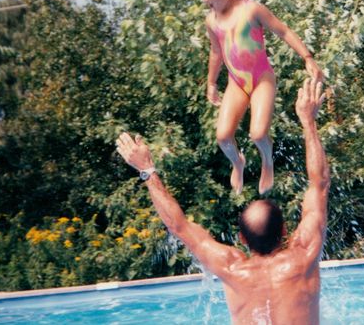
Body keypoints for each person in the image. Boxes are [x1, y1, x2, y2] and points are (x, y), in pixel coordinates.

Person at [116, 78, 330, 324]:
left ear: (241, 239)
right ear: (284, 230)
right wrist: (308, 122)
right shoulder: (303, 255)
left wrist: (147, 170)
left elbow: (179, 226)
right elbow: (320, 184)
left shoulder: (232, 269)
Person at [194, 0, 323, 195]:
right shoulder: (211, 20)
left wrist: (307, 57)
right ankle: (238, 162)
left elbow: (283, 30)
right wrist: (211, 83)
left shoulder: (251, 9)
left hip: (261, 79)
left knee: (258, 133)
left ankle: (267, 160)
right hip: (237, 83)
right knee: (223, 137)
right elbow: (216, 52)